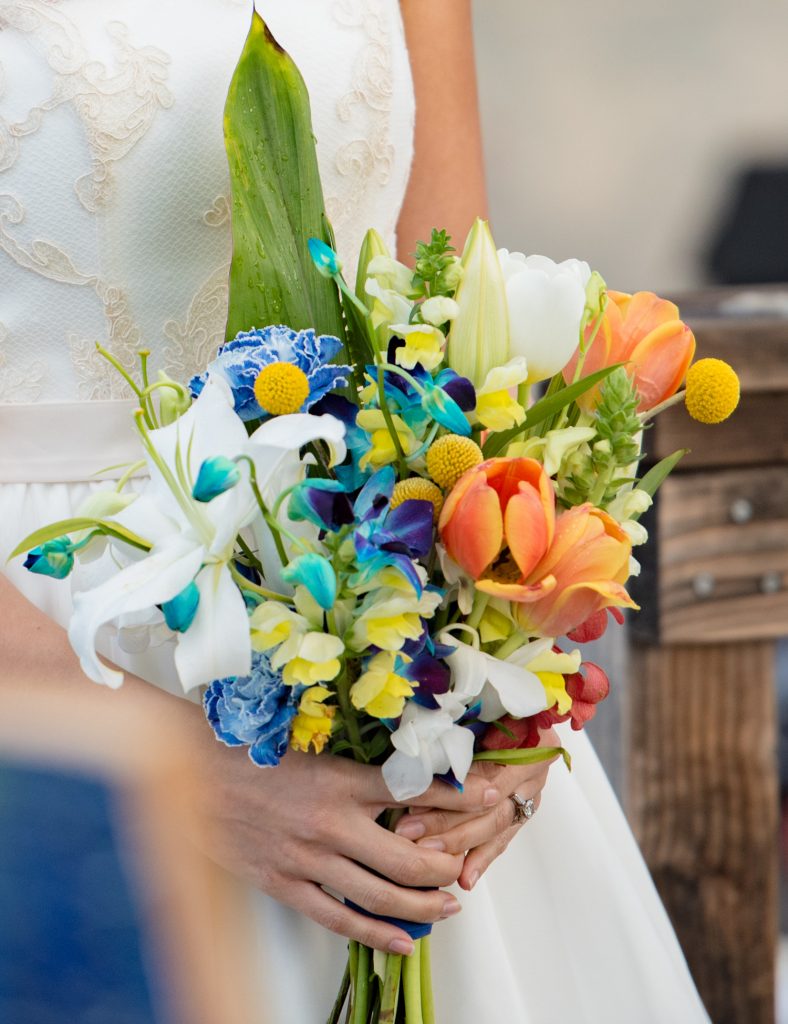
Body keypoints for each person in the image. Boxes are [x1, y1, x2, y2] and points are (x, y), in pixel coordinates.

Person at [0, 2, 710, 1020]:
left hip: (372, 616)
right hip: (52, 663)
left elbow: (455, 340)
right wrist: (176, 779)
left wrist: (504, 719)